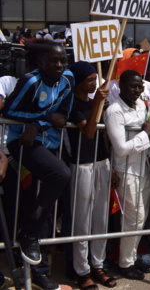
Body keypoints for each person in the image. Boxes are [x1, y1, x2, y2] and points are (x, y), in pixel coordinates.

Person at [3, 40, 74, 290]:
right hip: (22, 146)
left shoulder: (68, 79)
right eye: (53, 60)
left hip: (49, 145)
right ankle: (27, 238)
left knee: (45, 211)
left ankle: (41, 272)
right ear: (40, 61)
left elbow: (62, 115)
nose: (59, 65)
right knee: (57, 178)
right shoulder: (31, 81)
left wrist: (41, 124)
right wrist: (40, 119)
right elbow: (10, 112)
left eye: (63, 60)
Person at [67, 61, 116, 289]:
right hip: (82, 165)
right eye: (89, 80)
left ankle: (98, 265)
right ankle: (82, 270)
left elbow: (103, 137)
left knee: (100, 219)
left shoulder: (100, 102)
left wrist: (111, 165)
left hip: (102, 163)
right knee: (82, 220)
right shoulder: (72, 103)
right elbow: (88, 133)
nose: (94, 83)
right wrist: (97, 102)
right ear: (77, 82)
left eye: (95, 79)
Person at [104, 70, 150, 281]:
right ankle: (125, 263)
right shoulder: (114, 111)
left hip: (143, 168)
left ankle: (131, 258)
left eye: (140, 87)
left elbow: (145, 140)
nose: (137, 91)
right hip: (125, 170)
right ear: (121, 86)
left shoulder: (142, 106)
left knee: (139, 219)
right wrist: (145, 134)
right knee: (134, 218)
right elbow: (121, 148)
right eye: (133, 86)